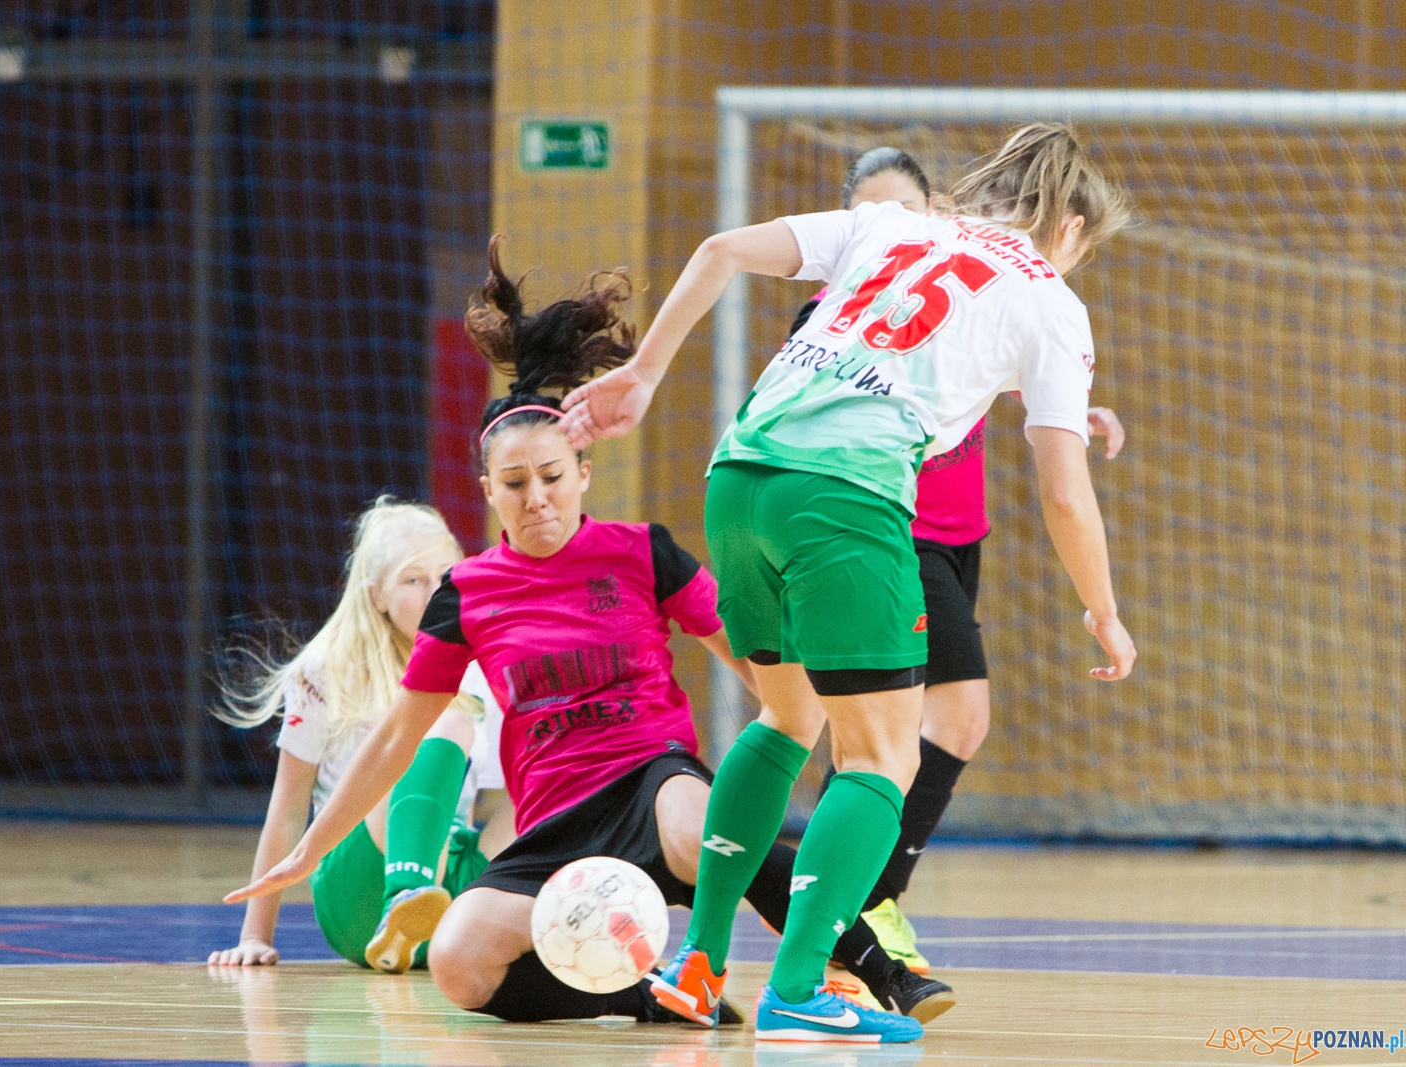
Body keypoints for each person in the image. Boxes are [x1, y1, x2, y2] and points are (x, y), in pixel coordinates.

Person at [220, 237, 931, 1040]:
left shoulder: (640, 551)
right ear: (488, 491)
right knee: (457, 960)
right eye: (515, 483)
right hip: (553, 822)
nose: (537, 498)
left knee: (702, 825)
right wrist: (311, 847)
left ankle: (877, 965)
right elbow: (400, 736)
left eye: (553, 477)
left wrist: (829, 725)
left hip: (650, 777)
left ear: (584, 472)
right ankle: (651, 996)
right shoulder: (468, 591)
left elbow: (754, 662)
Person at [559, 122, 1138, 1043]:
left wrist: (644, 372)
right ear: (1070, 226)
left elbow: (720, 249)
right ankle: (798, 987)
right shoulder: (1049, 296)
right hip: (844, 498)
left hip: (741, 474)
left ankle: (698, 966)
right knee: (883, 758)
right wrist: (1102, 609)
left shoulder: (891, 225)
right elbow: (1065, 493)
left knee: (786, 718)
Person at [799, 147, 1127, 978]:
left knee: (894, 730)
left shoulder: (975, 284)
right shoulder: (840, 308)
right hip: (886, 522)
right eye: (872, 214)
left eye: (909, 212)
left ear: (940, 212)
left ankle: (844, 908)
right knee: (943, 716)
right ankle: (859, 905)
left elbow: (985, 356)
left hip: (955, 534)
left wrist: (1072, 407)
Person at [207, 497, 513, 974]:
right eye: (413, 580)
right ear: (376, 596)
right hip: (357, 897)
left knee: (557, 771)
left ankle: (555, 924)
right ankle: (405, 895)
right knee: (438, 725)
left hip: (446, 899)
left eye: (444, 577)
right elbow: (288, 808)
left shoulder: (479, 670)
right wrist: (254, 936)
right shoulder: (326, 668)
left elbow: (470, 811)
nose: (434, 593)